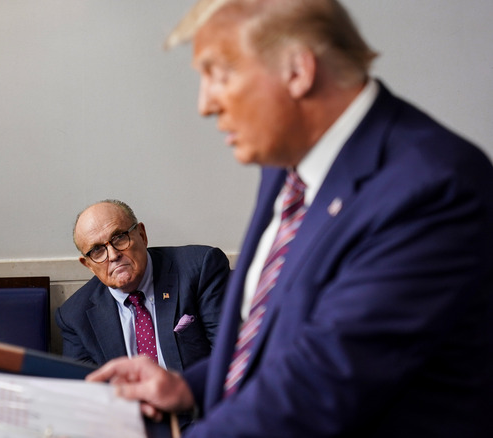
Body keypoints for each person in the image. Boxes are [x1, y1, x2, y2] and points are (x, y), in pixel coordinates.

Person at [87, 1, 493, 436]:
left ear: (297, 71)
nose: (205, 104)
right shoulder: (285, 165)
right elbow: (272, 337)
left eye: (218, 74)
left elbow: (320, 383)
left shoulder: (432, 186)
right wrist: (189, 386)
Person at [56, 199, 230, 371]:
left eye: (119, 238)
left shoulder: (200, 269)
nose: (113, 255)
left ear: (142, 235)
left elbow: (227, 358)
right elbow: (85, 389)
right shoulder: (74, 316)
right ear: (88, 265)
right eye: (97, 250)